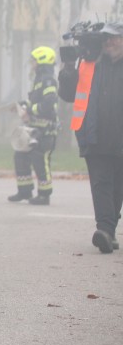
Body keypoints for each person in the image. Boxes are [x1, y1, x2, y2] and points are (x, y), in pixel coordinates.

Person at [58, 21, 123, 253]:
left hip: (120, 138)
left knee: (117, 185)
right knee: (101, 183)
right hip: (94, 135)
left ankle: (110, 228)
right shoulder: (90, 64)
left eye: (116, 38)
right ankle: (104, 230)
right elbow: (67, 94)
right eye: (107, 38)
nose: (111, 42)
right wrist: (68, 68)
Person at [8, 46, 59, 205]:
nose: (32, 64)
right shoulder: (39, 80)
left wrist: (29, 109)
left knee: (40, 160)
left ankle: (44, 195)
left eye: (34, 61)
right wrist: (23, 104)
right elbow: (36, 102)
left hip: (46, 131)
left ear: (42, 61)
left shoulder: (48, 80)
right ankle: (24, 191)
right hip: (34, 130)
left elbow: (48, 104)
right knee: (20, 156)